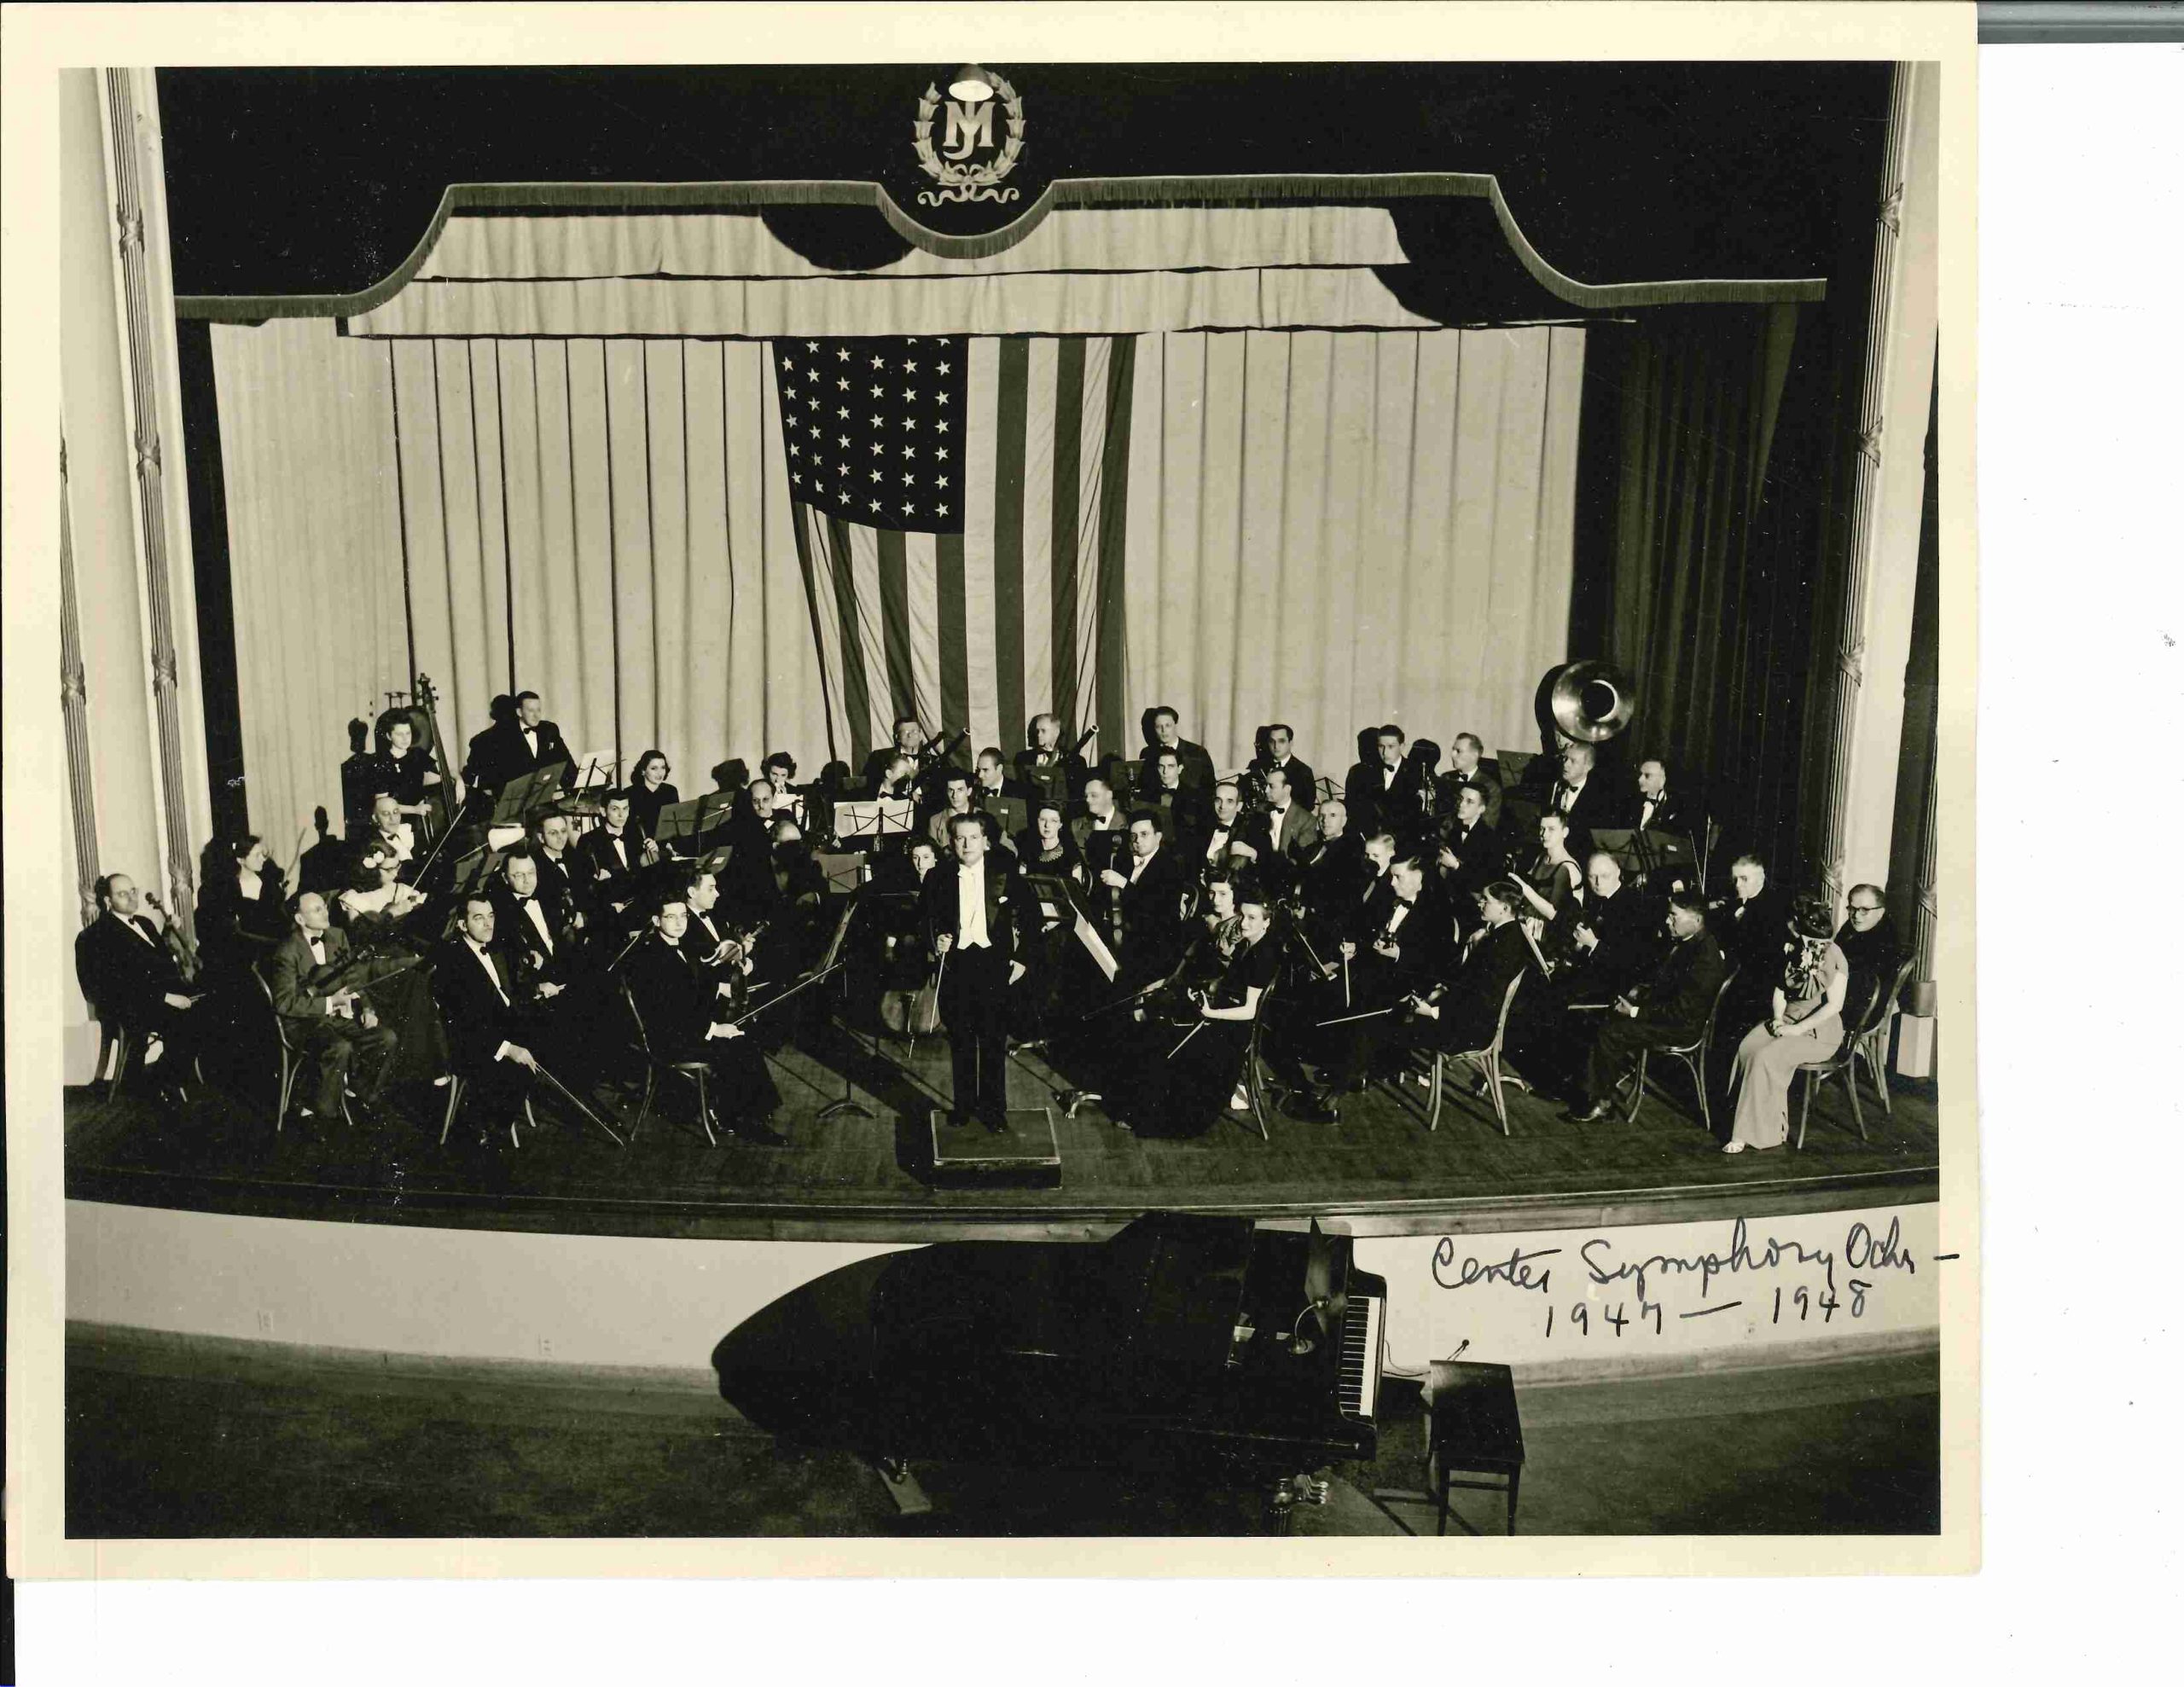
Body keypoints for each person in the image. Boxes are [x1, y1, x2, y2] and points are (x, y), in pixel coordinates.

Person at [1115, 890, 1281, 1137]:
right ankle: (1143, 1106)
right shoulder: (1250, 945)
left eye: (1252, 918)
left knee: (1166, 1041)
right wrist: (1205, 991)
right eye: (1242, 916)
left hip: (1234, 1033)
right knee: (1160, 1029)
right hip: (1222, 1018)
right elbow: (1228, 984)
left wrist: (1211, 1012)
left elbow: (1250, 1011)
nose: (1244, 923)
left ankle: (1159, 1119)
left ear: (1266, 922)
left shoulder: (1263, 956)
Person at [624, 892, 787, 1144]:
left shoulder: (678, 946)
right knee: (738, 1045)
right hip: (668, 1039)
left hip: (685, 1027)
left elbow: (690, 986)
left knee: (745, 1035)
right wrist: (713, 1029)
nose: (680, 922)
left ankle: (751, 1109)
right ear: (656, 921)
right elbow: (669, 1011)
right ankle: (744, 1119)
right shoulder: (651, 957)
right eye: (671, 917)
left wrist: (719, 988)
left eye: (683, 916)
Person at [1563, 887, 1728, 1122]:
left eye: (1674, 916)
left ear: (1697, 920)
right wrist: (1635, 997)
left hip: (1682, 1027)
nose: (1667, 920)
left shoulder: (1705, 959)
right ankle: (1593, 1085)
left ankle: (1602, 1103)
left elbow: (1681, 1011)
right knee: (1601, 1018)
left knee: (1612, 1033)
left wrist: (1634, 1011)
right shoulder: (1687, 942)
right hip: (1668, 1015)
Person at [921, 811, 1031, 1131]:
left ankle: (994, 1111)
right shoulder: (937, 876)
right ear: (951, 842)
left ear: (985, 841)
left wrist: (1021, 959)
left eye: (973, 838)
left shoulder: (1005, 872)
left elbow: (1031, 916)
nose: (967, 844)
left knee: (994, 1040)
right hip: (957, 964)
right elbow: (923, 919)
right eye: (960, 838)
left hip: (994, 964)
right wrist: (935, 941)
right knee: (961, 1039)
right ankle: (964, 1106)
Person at [1724, 890, 1850, 1153]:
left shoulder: (1835, 955)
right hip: (1788, 1021)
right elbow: (1780, 990)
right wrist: (1778, 1019)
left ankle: (1751, 1135)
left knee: (1766, 1058)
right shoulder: (1793, 949)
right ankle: (1767, 1123)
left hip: (1818, 1033)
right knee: (1747, 1048)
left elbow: (1834, 1005)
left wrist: (1796, 1029)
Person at [266, 890, 399, 1124]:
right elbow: (284, 1002)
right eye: (317, 909)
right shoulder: (287, 951)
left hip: (339, 1016)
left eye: (325, 906)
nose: (325, 912)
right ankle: (322, 1115)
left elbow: (352, 977)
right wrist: (329, 1003)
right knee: (340, 1047)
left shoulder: (337, 935)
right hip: (304, 1022)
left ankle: (363, 1094)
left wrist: (367, 1008)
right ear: (300, 919)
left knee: (386, 1038)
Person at [78, 872, 206, 1100]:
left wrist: (169, 932)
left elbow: (161, 962)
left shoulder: (145, 923)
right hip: (131, 1005)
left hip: (157, 994)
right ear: (108, 901)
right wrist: (167, 997)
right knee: (187, 1020)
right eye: (122, 894)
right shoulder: (98, 935)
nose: (132, 897)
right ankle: (161, 1079)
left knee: (214, 1002)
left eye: (133, 891)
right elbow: (119, 983)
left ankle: (169, 1075)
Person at [433, 894, 547, 1140]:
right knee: (519, 1071)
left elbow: (509, 995)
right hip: (475, 1043)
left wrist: (537, 991)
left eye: (491, 916)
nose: (488, 924)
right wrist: (508, 1048)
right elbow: (467, 1023)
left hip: (504, 1028)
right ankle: (487, 1129)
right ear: (463, 925)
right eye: (479, 918)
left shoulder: (496, 949)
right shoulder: (453, 962)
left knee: (555, 1034)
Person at [197, 826, 315, 977]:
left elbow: (280, 920)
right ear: (241, 860)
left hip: (274, 950)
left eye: (263, 854)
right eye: (257, 855)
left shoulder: (270, 884)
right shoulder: (227, 889)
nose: (263, 859)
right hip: (245, 955)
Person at [1102, 809, 1195, 988]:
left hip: (1155, 947)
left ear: (1158, 837)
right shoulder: (1127, 862)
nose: (1137, 840)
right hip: (1128, 937)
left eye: (1144, 834)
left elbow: (1153, 907)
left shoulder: (1170, 866)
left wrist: (1123, 883)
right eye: (1134, 836)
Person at [463, 689, 576, 798]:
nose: (536, 715)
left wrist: (574, 791)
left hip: (547, 798)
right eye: (531, 711)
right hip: (517, 802)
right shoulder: (499, 738)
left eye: (538, 710)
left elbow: (565, 761)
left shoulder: (549, 730)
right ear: (519, 712)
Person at [1833, 884, 1904, 1027]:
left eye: (1865, 910)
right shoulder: (1855, 926)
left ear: (1880, 912)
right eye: (1852, 909)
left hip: (1865, 1010)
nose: (1856, 915)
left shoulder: (1886, 937)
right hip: (1844, 994)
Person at [1515, 809, 1585, 953]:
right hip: (1529, 925)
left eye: (1551, 829)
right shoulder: (1541, 857)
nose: (1544, 834)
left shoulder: (1567, 867)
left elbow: (1553, 914)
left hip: (1550, 938)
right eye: (1542, 828)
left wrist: (1525, 889)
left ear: (1565, 832)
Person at [578, 789, 655, 915]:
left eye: (625, 809)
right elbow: (581, 885)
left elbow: (647, 876)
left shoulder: (637, 835)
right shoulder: (588, 840)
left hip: (639, 905)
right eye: (615, 809)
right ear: (603, 811)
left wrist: (654, 852)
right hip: (610, 910)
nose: (621, 815)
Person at [1344, 724, 1427, 841]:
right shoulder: (1364, 772)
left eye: (1391, 747)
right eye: (1381, 746)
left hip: (1404, 840)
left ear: (1402, 746)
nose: (1385, 752)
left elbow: (1417, 815)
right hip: (1370, 840)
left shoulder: (1417, 772)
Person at [368, 710, 444, 832]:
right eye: (399, 734)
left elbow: (443, 775)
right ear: (389, 736)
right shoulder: (382, 763)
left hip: (422, 820)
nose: (405, 738)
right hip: (397, 823)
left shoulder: (417, 754)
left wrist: (458, 780)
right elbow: (381, 804)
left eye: (408, 733)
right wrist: (414, 809)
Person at [1541, 739, 1619, 853]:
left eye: (1573, 761)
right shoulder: (1554, 786)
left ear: (1588, 767)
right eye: (1565, 758)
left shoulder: (1599, 798)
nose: (1565, 764)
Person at [1141, 746, 1213, 853]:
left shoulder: (1197, 797)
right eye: (1161, 766)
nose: (1165, 771)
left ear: (1180, 769)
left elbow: (1204, 833)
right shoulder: (1146, 796)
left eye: (1171, 766)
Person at [1136, 705, 1217, 793]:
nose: (1164, 731)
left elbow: (1210, 788)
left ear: (1175, 725)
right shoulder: (1147, 753)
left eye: (1168, 726)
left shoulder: (1198, 752)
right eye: (1159, 726)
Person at [1014, 712, 1087, 808]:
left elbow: (1078, 795)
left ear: (1056, 733)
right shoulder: (1022, 758)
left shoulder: (1076, 761)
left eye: (1043, 731)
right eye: (1037, 731)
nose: (1038, 735)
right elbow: (1019, 792)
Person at [1247, 723, 1316, 814]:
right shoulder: (1257, 765)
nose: (1276, 746)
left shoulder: (1304, 771)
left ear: (1291, 743)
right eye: (1272, 741)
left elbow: (1308, 806)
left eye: (1281, 741)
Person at [1437, 733, 1502, 827]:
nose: (1452, 755)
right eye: (1453, 750)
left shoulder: (1491, 787)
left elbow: (1488, 826)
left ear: (1474, 755)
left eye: (1458, 751)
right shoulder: (1446, 777)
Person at [972, 746, 1031, 848]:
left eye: (985, 770)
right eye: (978, 770)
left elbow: (1023, 832)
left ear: (999, 769)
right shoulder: (973, 792)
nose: (980, 775)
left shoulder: (1020, 793)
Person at [1016, 798, 1084, 884]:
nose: (1047, 825)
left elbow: (1076, 889)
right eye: (1043, 820)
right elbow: (1020, 884)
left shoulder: (1071, 854)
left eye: (1053, 821)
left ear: (1060, 824)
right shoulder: (1028, 851)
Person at [1199, 780, 1258, 876]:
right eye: (1218, 800)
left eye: (1229, 801)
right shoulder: (1202, 827)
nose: (1222, 806)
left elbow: (1264, 861)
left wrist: (1253, 854)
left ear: (1239, 806)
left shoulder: (1251, 830)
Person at [1633, 757, 1696, 840]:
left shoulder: (1678, 810)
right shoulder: (1631, 803)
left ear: (1662, 780)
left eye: (1647, 775)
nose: (1640, 779)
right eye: (1640, 774)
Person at [627, 750, 680, 844]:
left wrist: (661, 845)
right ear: (643, 771)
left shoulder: (670, 791)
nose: (660, 773)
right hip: (641, 845)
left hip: (666, 844)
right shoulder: (630, 793)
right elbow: (630, 829)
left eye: (663, 768)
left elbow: (674, 826)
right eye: (654, 768)